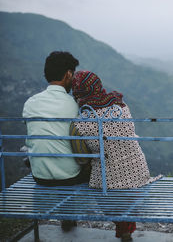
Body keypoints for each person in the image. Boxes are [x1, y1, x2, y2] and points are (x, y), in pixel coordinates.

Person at [70, 70, 162, 242]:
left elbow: (81, 159)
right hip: (138, 175)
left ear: (77, 93)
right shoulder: (121, 106)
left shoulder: (79, 123)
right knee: (124, 181)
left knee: (102, 173)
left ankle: (122, 226)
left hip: (105, 185)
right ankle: (125, 228)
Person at [22, 51, 89, 231]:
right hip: (69, 177)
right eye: (73, 74)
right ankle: (68, 217)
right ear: (68, 74)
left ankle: (66, 218)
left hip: (40, 175)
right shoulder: (74, 104)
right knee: (82, 161)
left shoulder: (30, 103)